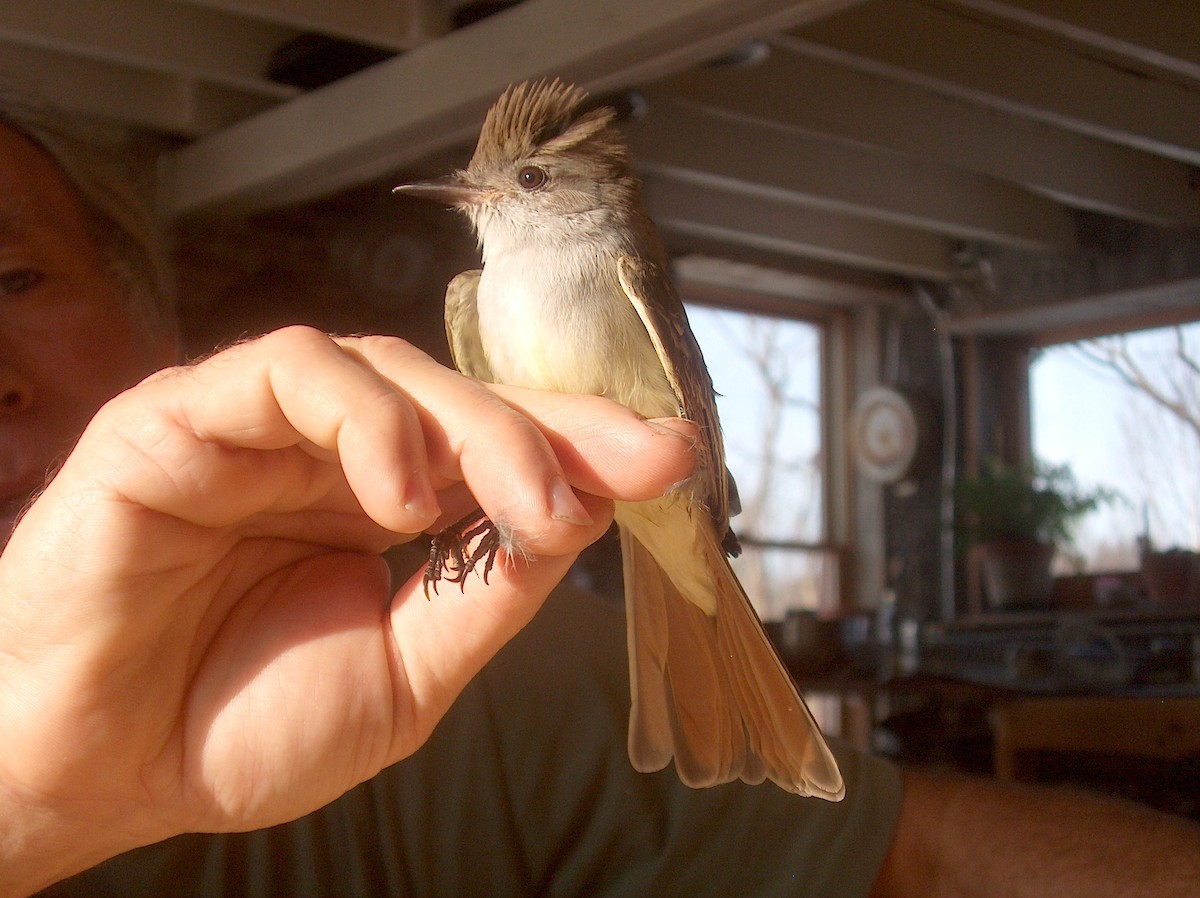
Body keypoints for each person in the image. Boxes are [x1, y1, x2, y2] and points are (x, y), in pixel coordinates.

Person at [0, 93, 1197, 898]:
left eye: (16, 278)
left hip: (663, 506)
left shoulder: (517, 684)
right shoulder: (473, 304)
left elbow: (918, 855)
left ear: (156, 319)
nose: (484, 197)